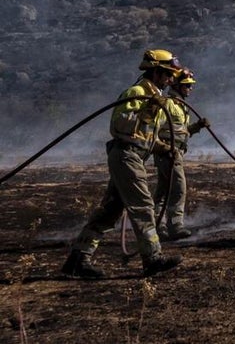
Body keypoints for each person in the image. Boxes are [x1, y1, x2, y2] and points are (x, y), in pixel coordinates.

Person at [61, 49, 186, 279]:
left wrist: (164, 147)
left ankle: (77, 259)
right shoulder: (136, 93)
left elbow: (146, 135)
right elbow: (119, 126)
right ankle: (152, 259)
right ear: (156, 71)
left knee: (109, 211)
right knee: (143, 205)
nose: (171, 79)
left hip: (134, 156)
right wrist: (150, 107)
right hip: (126, 156)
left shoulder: (157, 97)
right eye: (167, 74)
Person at [152, 68, 210, 240]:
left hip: (174, 152)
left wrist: (197, 127)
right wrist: (163, 148)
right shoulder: (167, 103)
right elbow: (154, 130)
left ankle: (158, 227)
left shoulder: (180, 106)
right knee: (178, 189)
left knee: (163, 191)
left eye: (191, 86)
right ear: (177, 85)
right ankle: (175, 226)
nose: (190, 89)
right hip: (168, 153)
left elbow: (179, 132)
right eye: (187, 86)